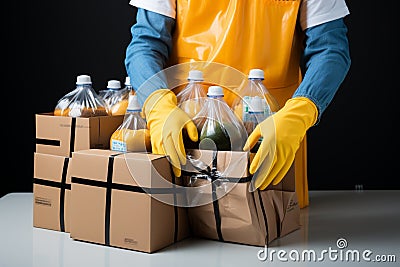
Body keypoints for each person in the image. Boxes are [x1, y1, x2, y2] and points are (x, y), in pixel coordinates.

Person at [124, 0, 351, 208]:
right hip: (191, 134)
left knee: (269, 221)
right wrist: (157, 103)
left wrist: (299, 112)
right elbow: (145, 45)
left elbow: (330, 51)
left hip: (267, 136)